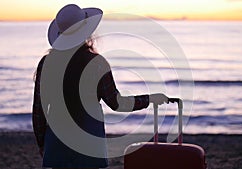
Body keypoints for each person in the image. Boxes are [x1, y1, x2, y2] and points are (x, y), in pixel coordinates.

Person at [32, 4, 169, 169]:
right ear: (86, 31)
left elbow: (39, 110)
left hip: (57, 140)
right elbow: (117, 103)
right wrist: (149, 99)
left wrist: (42, 142)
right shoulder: (96, 64)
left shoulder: (46, 64)